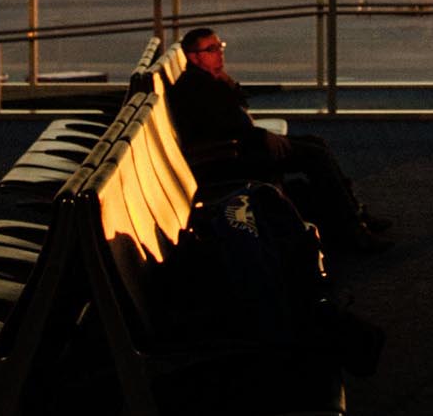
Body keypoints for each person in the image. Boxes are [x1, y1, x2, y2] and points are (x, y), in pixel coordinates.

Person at [167, 28, 392, 252]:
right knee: (316, 155)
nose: (219, 54)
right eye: (211, 49)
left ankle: (355, 214)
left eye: (219, 47)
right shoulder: (194, 88)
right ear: (194, 56)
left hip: (240, 146)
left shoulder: (205, 80)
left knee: (316, 143)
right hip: (230, 157)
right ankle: (354, 231)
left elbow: (235, 112)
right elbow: (222, 127)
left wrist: (227, 82)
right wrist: (263, 136)